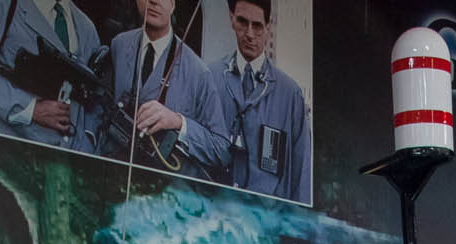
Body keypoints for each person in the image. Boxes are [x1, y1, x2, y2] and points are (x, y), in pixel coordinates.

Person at [0, 0, 112, 153]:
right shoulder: (2, 3)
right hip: (12, 154)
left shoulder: (86, 27)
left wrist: (89, 147)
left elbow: (95, 101)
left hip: (70, 163)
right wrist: (30, 109)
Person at [111, 0, 232, 181]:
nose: (154, 1)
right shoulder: (118, 46)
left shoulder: (198, 72)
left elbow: (221, 150)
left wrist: (178, 122)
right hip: (116, 176)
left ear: (173, 4)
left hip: (165, 188)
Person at [215, 0, 309, 202]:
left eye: (257, 25)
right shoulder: (211, 78)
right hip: (216, 206)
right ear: (232, 19)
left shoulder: (290, 94)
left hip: (267, 213)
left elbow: (301, 172)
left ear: (268, 27)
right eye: (242, 22)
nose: (249, 34)